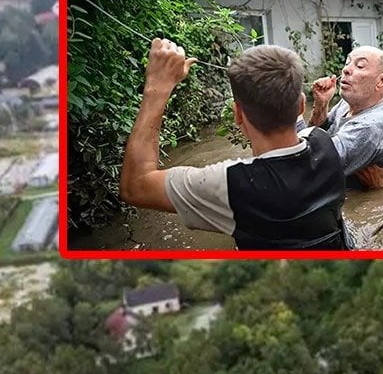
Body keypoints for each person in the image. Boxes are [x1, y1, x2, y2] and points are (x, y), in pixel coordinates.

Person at [119, 39, 350, 250]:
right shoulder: (325, 142)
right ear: (301, 105)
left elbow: (135, 186)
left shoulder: (230, 183)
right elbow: (305, 136)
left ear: (237, 115)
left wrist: (156, 88)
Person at [297, 45, 383, 183]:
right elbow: (315, 136)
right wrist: (321, 106)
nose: (346, 70)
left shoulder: (371, 126)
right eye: (347, 63)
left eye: (360, 66)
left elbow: (307, 164)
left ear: (381, 81)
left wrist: (294, 112)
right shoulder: (347, 103)